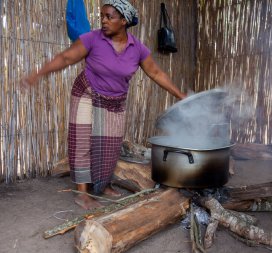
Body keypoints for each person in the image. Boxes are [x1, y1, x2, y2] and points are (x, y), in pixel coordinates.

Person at [21, 0, 186, 210]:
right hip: (86, 92)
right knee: (81, 141)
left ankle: (102, 184)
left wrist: (180, 94)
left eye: (110, 17)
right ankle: (82, 193)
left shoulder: (138, 49)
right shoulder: (92, 39)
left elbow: (156, 73)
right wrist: (38, 74)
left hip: (115, 100)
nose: (104, 21)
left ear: (124, 21)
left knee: (110, 144)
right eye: (102, 16)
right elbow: (65, 58)